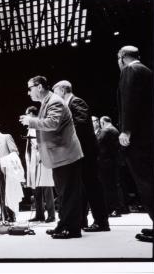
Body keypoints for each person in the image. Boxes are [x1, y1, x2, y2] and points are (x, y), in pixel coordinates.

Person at [20, 76, 83, 239]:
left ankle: (72, 229)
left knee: (68, 193)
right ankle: (63, 225)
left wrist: (31, 121)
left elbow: (52, 123)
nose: (28, 92)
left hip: (66, 154)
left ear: (39, 87)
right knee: (63, 193)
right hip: (60, 155)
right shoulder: (47, 102)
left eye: (30, 88)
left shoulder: (54, 101)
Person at [52, 80, 110, 232]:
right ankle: (80, 220)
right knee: (81, 188)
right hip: (80, 152)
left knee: (91, 186)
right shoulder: (69, 104)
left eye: (55, 91)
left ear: (63, 90)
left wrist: (61, 132)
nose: (54, 95)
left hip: (86, 152)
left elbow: (81, 123)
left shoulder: (76, 102)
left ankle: (101, 222)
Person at [117, 46, 154, 243]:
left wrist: (126, 130)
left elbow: (129, 102)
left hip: (138, 138)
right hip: (149, 135)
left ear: (122, 57)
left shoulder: (130, 70)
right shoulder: (147, 70)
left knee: (146, 183)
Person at [24, 106, 55, 223]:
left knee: (46, 188)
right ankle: (39, 214)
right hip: (34, 161)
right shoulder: (31, 127)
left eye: (26, 114)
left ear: (31, 114)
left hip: (42, 160)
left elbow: (45, 141)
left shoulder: (40, 124)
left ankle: (51, 215)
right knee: (36, 189)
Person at [0, 124, 25, 223]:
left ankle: (11, 215)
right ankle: (3, 214)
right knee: (0, 193)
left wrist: (6, 162)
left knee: (9, 192)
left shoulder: (6, 137)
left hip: (8, 169)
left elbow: (14, 152)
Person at [98, 116, 123, 217]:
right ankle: (117, 208)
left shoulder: (106, 130)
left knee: (107, 186)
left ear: (102, 122)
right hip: (113, 161)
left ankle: (112, 209)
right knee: (114, 186)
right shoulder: (115, 130)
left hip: (106, 163)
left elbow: (98, 142)